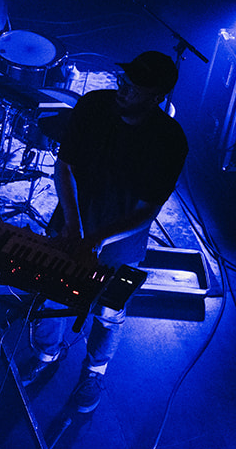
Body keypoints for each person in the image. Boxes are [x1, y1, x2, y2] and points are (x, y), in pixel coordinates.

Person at [25, 50, 188, 412]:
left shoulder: (170, 141)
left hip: (122, 242)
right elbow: (63, 167)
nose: (123, 88)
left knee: (108, 312)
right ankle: (46, 354)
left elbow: (147, 212)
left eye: (134, 87)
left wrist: (96, 241)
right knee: (51, 290)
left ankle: (94, 372)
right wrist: (73, 227)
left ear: (156, 97)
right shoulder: (95, 106)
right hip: (71, 222)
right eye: (123, 81)